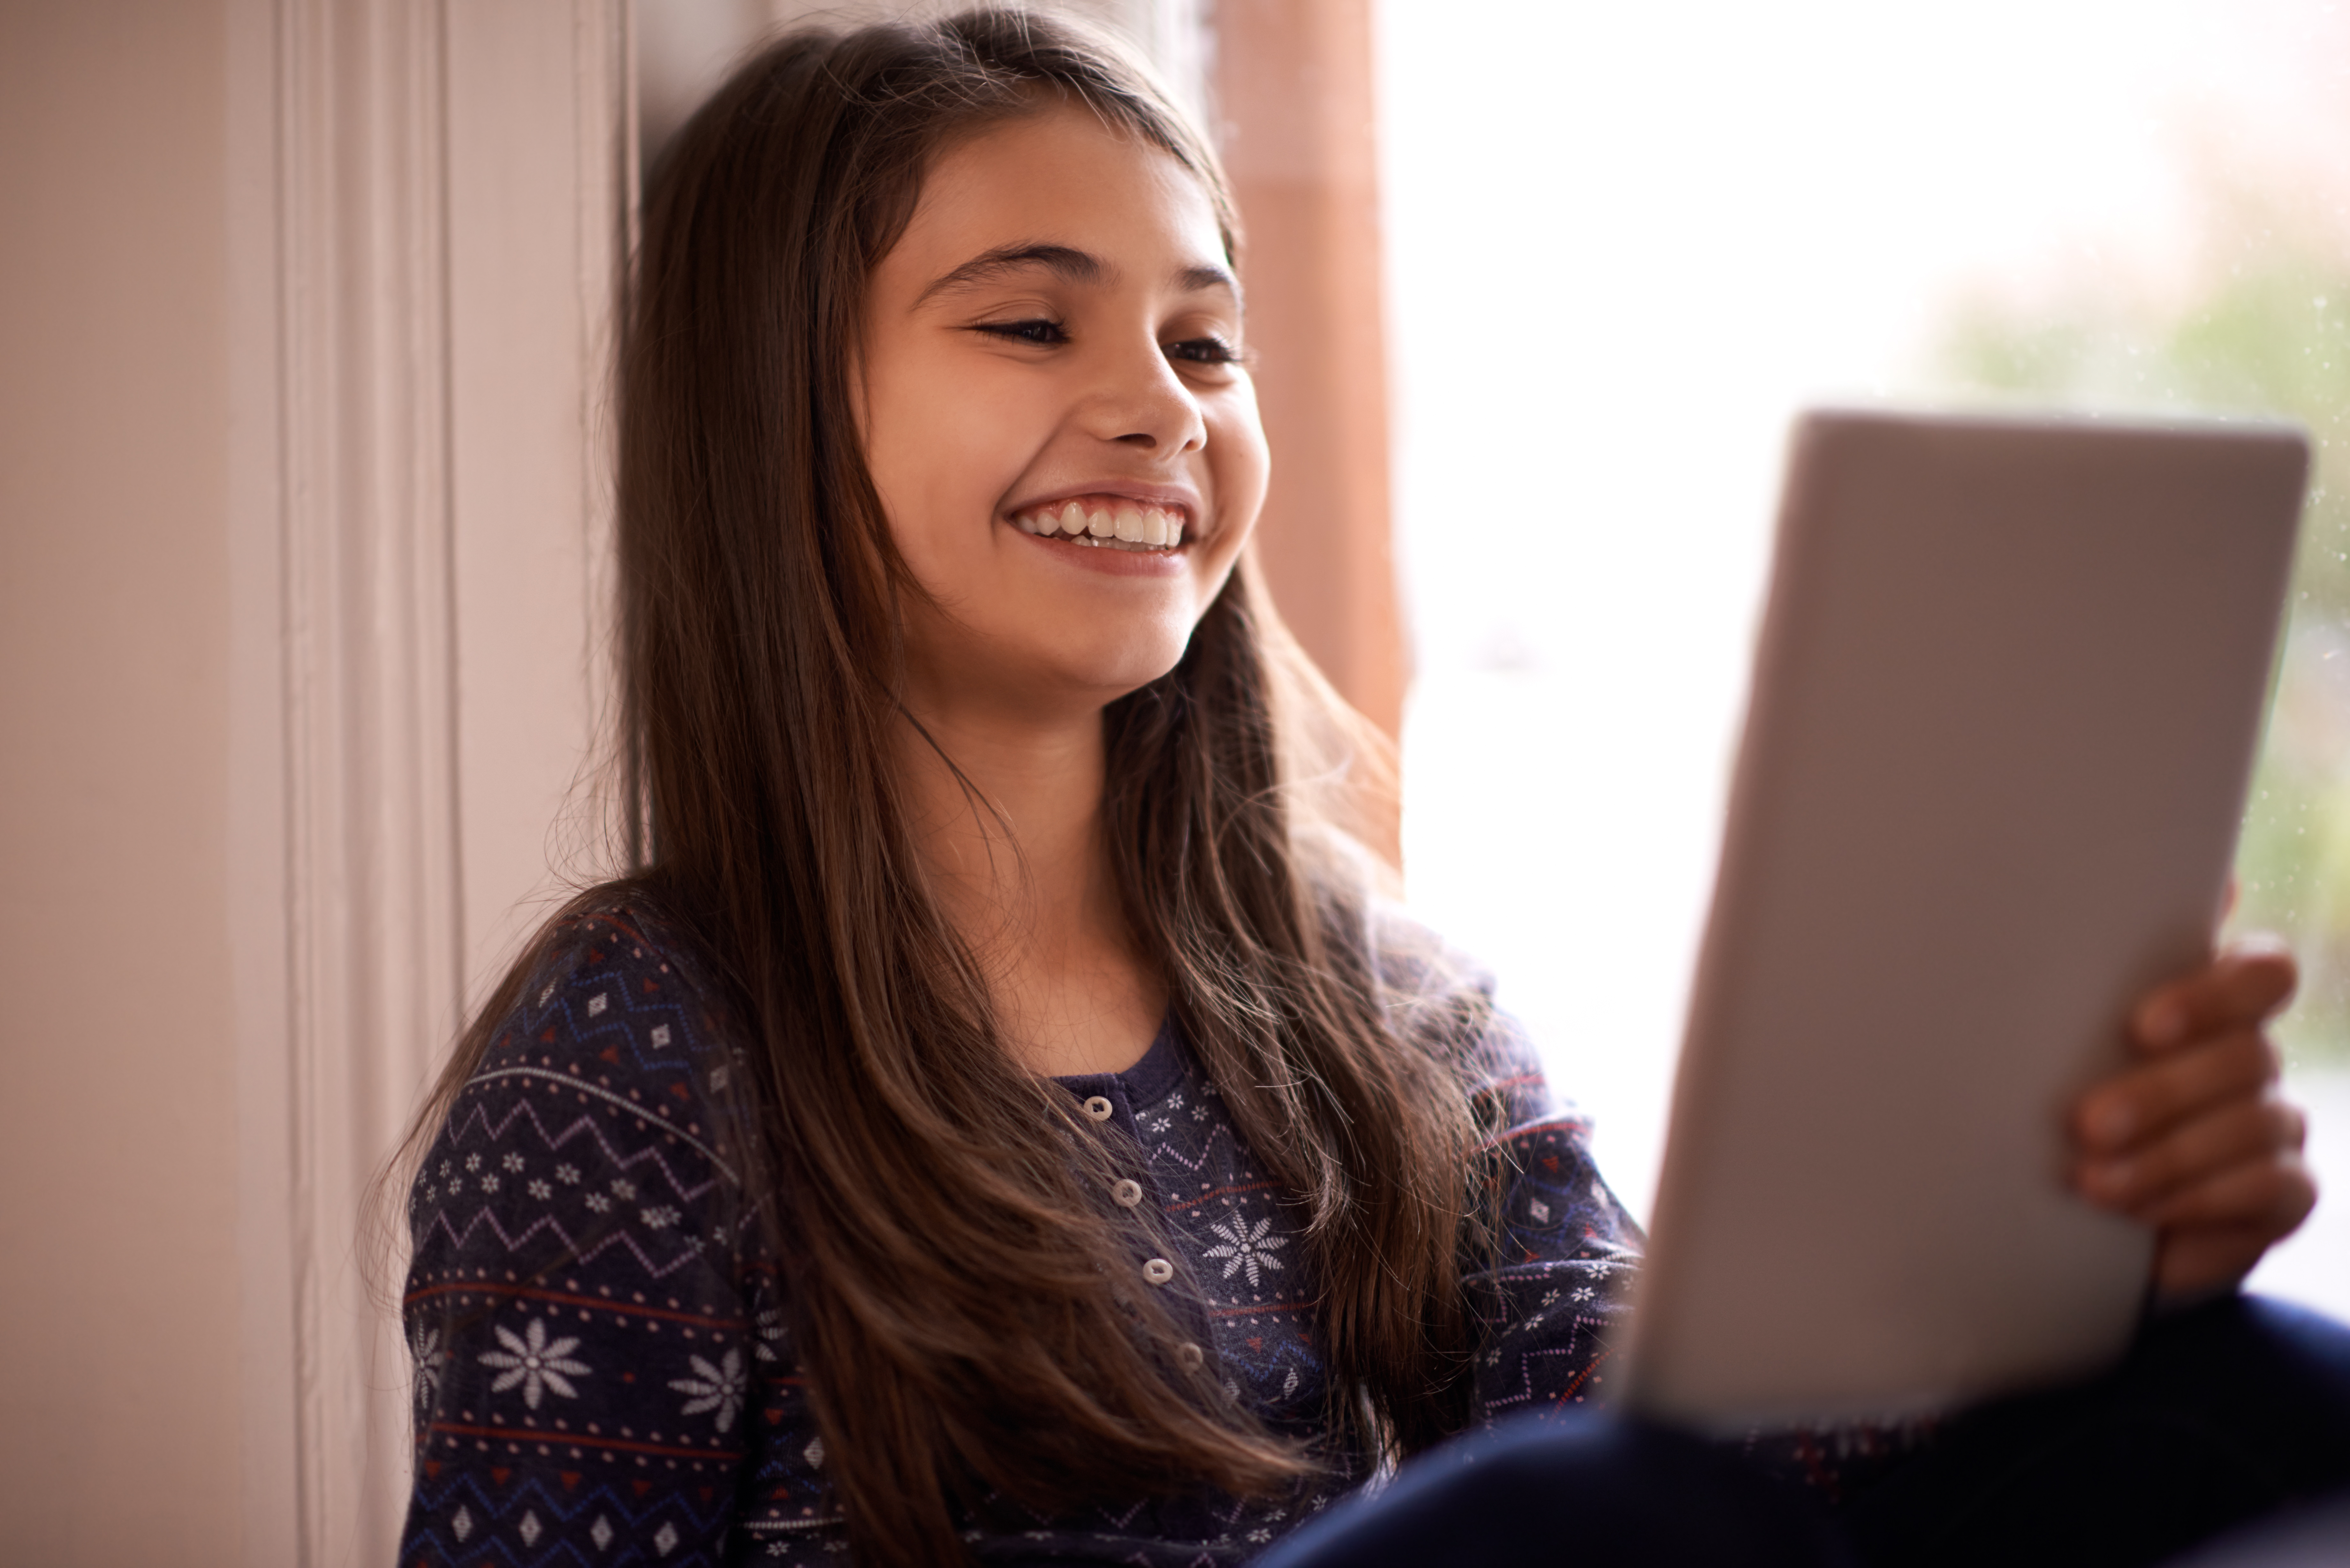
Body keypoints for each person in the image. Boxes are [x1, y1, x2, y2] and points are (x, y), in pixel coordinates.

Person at [391, 11, 2341, 1567]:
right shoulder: (632, 1059)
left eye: (1205, 338)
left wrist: (2079, 1265)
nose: (1164, 399)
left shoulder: (1372, 996)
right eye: (1028, 319)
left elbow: (1687, 1433)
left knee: (2246, 1383)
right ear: (779, 421)